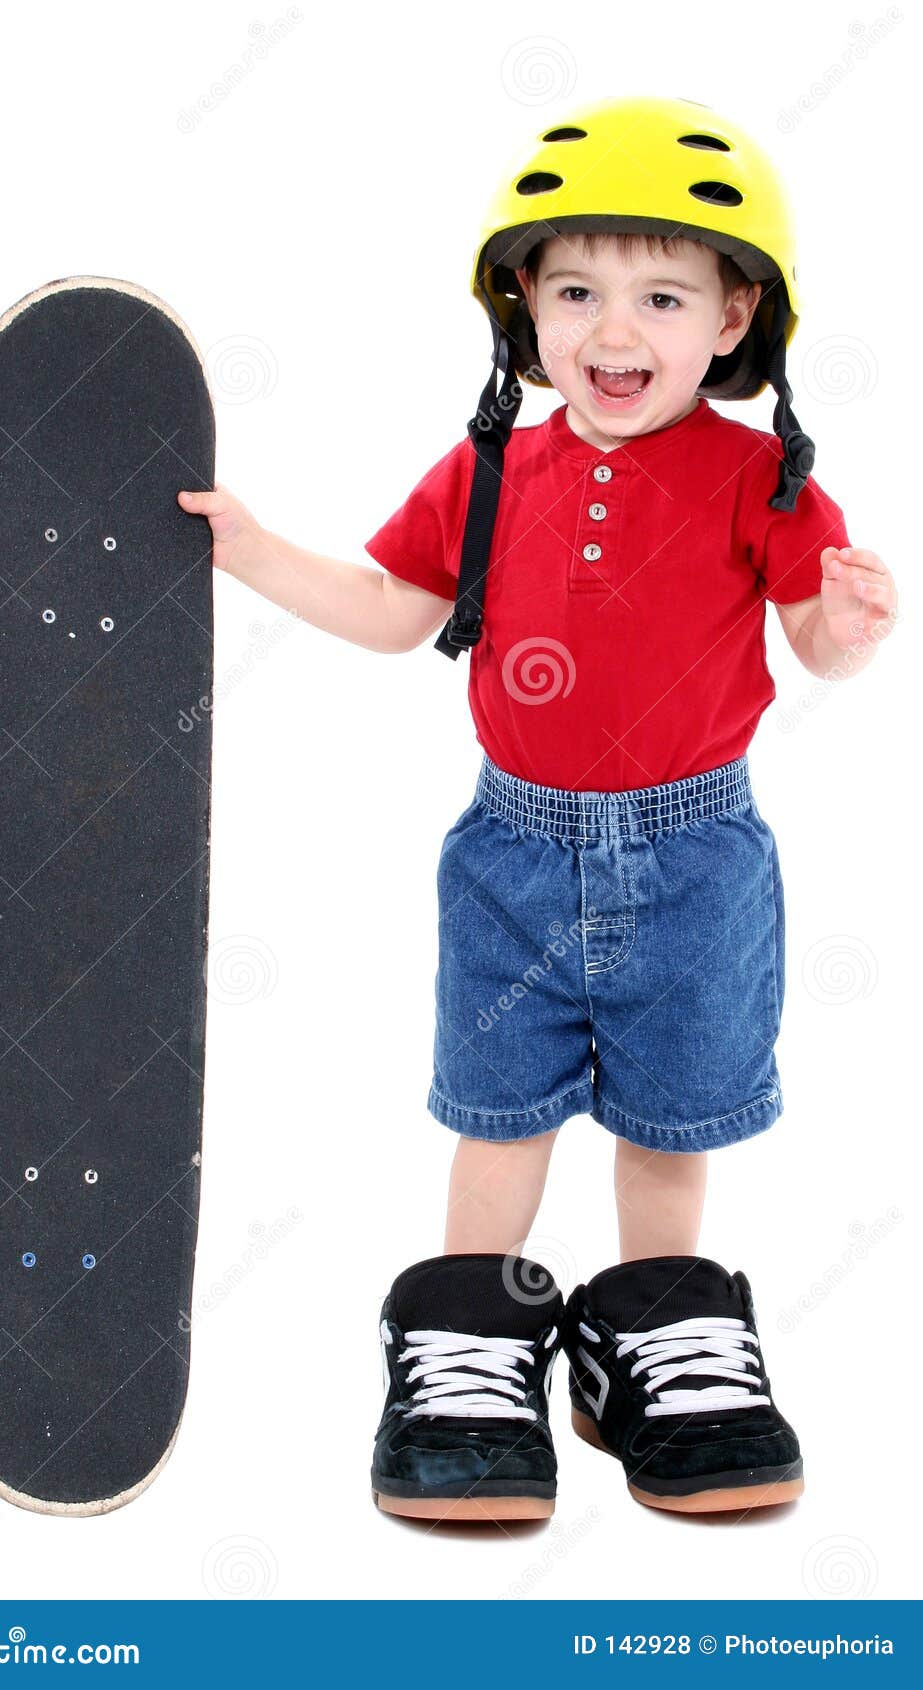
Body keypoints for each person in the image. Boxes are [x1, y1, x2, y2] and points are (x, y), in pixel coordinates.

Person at [179, 94, 897, 1524]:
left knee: (672, 1119)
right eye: (575, 290)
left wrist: (855, 627)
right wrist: (252, 552)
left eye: (661, 294)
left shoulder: (766, 479)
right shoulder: (496, 469)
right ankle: (471, 1351)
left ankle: (654, 1339)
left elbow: (811, 642)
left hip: (700, 856)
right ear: (524, 305)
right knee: (499, 1113)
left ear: (736, 316)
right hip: (512, 851)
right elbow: (396, 610)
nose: (611, 330)